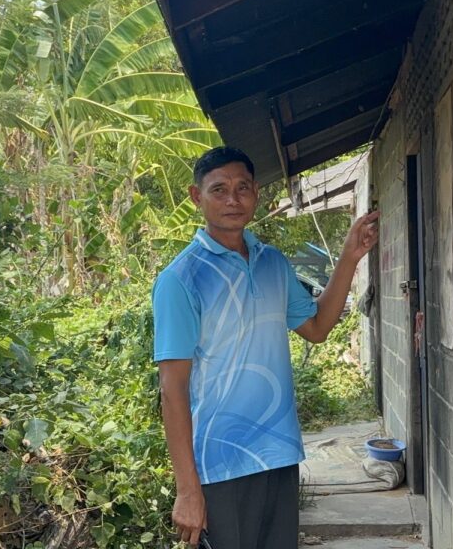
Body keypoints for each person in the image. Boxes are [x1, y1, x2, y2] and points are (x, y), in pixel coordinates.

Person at [152, 146, 379, 548]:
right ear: (196, 197)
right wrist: (187, 490)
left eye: (242, 188)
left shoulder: (273, 263)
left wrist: (350, 256)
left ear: (256, 192)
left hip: (278, 453)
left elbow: (316, 327)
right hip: (220, 465)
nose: (233, 199)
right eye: (219, 190)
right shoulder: (181, 278)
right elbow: (173, 388)